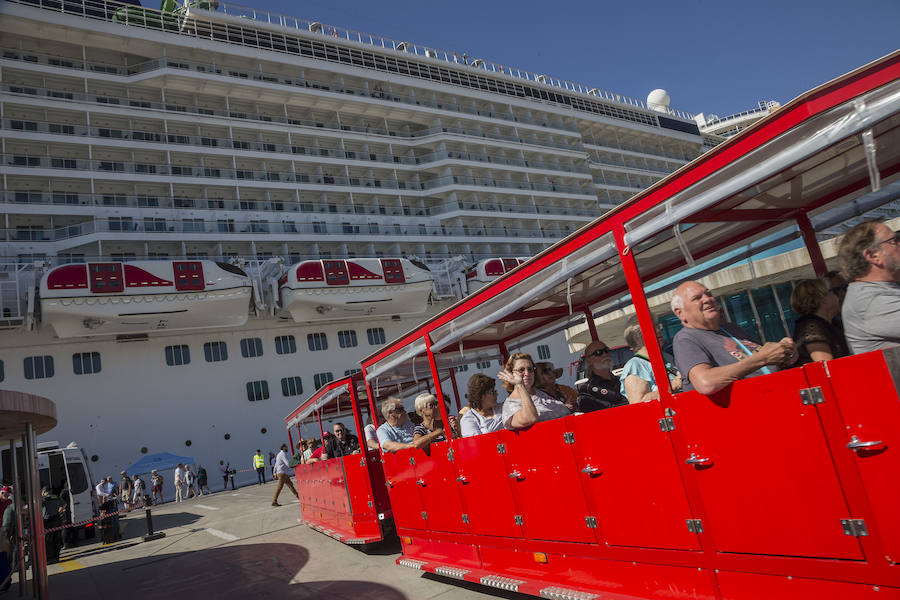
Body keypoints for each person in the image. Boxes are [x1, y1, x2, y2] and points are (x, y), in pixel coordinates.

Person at [670, 280, 797, 394]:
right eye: (697, 298)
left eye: (708, 294)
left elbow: (763, 363)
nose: (708, 299)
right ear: (680, 313)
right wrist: (763, 358)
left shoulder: (732, 329)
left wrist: (784, 353)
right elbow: (706, 383)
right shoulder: (685, 339)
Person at [837, 220, 900, 353]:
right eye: (894, 241)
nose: (899, 244)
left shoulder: (880, 290)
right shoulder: (869, 301)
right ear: (873, 256)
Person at [619, 317, 682, 403]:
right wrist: (672, 386)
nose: (658, 330)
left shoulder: (667, 356)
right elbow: (638, 403)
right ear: (637, 339)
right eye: (652, 328)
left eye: (658, 327)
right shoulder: (635, 366)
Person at [499, 352, 569, 430]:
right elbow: (530, 418)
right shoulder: (510, 405)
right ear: (511, 374)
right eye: (521, 370)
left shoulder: (541, 393)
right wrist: (520, 385)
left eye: (530, 369)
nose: (527, 373)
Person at [790, 279, 849, 363]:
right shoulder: (811, 327)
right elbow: (826, 365)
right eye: (833, 291)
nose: (838, 295)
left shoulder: (833, 322)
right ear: (822, 299)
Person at [376, 397, 444, 451]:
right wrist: (413, 446)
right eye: (401, 409)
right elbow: (388, 445)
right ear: (390, 413)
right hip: (403, 464)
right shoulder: (382, 430)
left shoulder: (408, 424)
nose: (405, 411)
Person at [576, 341, 627, 412]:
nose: (605, 354)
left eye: (606, 350)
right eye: (598, 353)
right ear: (589, 360)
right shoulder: (587, 391)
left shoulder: (621, 380)